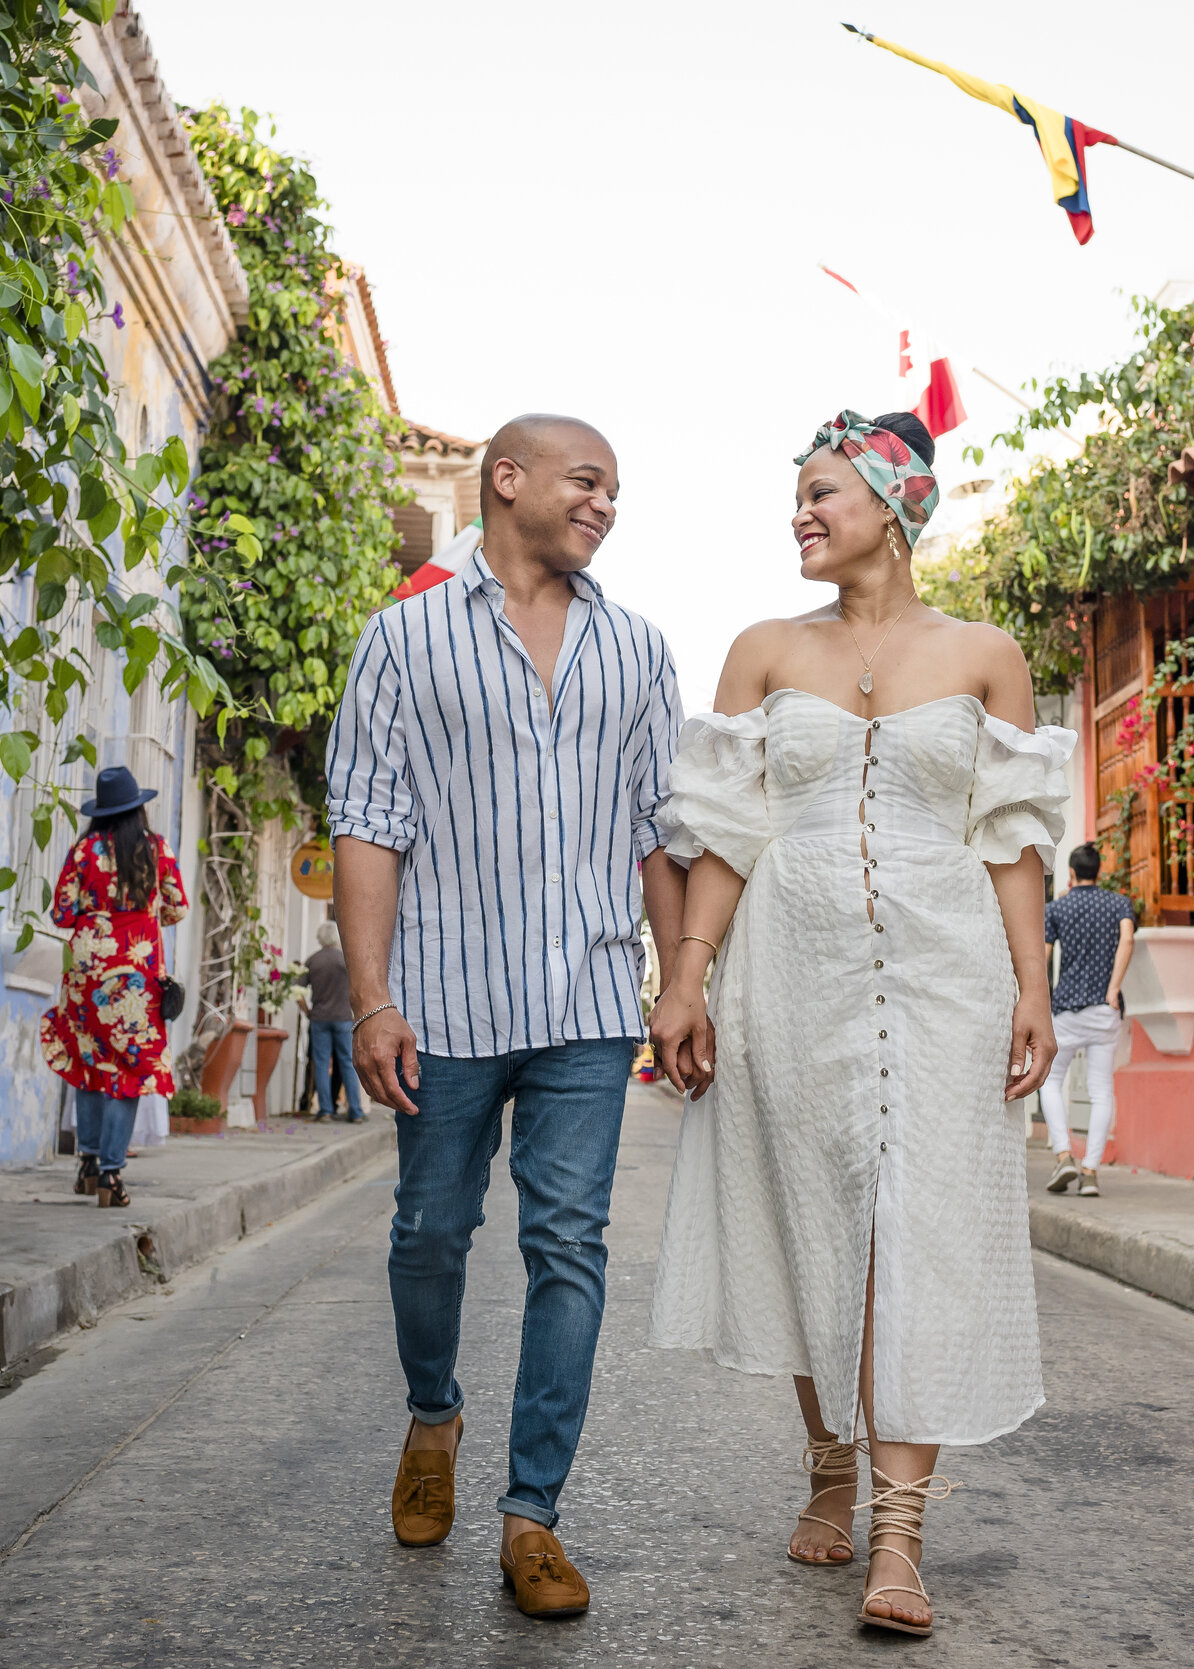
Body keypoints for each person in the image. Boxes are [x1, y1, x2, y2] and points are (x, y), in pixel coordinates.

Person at [646, 410, 1072, 1638]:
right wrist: (687, 978)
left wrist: (1033, 986)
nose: (800, 513)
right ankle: (827, 1459)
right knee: (810, 1210)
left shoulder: (986, 653)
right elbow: (727, 830)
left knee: (920, 1224)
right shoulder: (763, 649)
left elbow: (1009, 837)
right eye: (796, 496)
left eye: (821, 492)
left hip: (950, 970)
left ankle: (898, 1536)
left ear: (892, 506)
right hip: (790, 962)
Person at [328, 413, 684, 1619]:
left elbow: (657, 833)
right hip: (444, 997)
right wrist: (373, 999)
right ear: (508, 479)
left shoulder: (637, 651)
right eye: (588, 482)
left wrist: (678, 978)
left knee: (567, 1247)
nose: (604, 505)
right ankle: (434, 1412)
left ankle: (532, 1514)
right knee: (428, 1232)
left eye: (616, 491)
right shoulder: (403, 640)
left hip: (587, 999)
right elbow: (367, 823)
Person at [38, 765, 189, 1208]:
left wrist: (96, 913)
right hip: (136, 976)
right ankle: (110, 1175)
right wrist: (141, 911)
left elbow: (62, 913)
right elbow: (176, 909)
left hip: (87, 974)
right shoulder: (156, 849)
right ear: (137, 809)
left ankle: (86, 1163)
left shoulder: (83, 850)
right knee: (132, 1069)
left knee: (89, 1060)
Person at [1040, 842, 1136, 1198]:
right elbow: (1127, 940)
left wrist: (1042, 1000)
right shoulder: (1118, 904)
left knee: (1050, 1081)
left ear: (1071, 873)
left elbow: (1044, 957)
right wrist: (1113, 989)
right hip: (1104, 1010)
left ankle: (1064, 1154)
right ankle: (1091, 1172)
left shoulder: (1057, 908)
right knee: (1101, 1091)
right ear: (1099, 872)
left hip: (1065, 1010)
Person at [301, 921, 361, 1122]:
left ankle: (325, 1110)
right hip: (344, 1018)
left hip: (319, 1019)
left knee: (320, 1063)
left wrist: (307, 1011)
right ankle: (356, 1111)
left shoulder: (312, 960)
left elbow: (298, 992)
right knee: (347, 1063)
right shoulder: (345, 960)